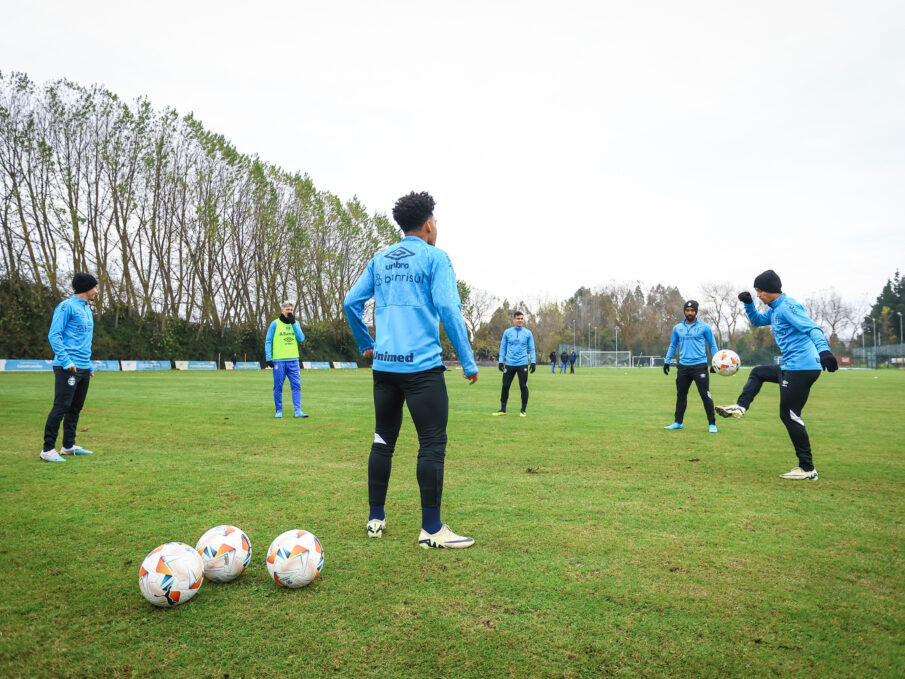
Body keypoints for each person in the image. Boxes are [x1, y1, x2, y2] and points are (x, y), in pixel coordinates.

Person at [344, 191, 479, 549]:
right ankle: (431, 530)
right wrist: (467, 361)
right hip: (421, 370)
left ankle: (376, 518)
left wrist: (365, 344)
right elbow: (449, 310)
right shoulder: (436, 258)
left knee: (383, 439)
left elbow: (350, 302)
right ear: (428, 225)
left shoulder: (380, 258)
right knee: (432, 443)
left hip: (384, 368)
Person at [715, 270, 837, 480]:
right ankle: (741, 406)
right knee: (758, 373)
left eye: (760, 291)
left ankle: (807, 469)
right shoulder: (774, 310)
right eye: (756, 291)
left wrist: (825, 351)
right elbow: (758, 321)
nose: (758, 294)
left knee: (789, 414)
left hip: (803, 368)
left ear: (771, 289)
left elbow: (813, 329)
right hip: (792, 367)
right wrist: (748, 304)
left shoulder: (788, 307)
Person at [40, 273, 99, 462]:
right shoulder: (66, 306)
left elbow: (84, 341)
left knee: (75, 408)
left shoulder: (88, 310)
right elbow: (54, 335)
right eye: (94, 287)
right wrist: (67, 361)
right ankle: (48, 449)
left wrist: (87, 365)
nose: (96, 291)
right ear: (86, 288)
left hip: (82, 366)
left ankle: (68, 446)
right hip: (67, 367)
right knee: (61, 407)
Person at [662, 300, 720, 433]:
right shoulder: (677, 328)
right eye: (687, 310)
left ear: (696, 312)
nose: (689, 313)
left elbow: (712, 345)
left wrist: (716, 362)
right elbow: (673, 345)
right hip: (683, 367)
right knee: (681, 395)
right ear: (684, 311)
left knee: (705, 395)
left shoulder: (704, 327)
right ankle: (678, 422)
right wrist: (667, 361)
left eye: (692, 310)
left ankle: (712, 424)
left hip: (700, 366)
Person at [264, 301, 307, 418]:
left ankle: (297, 411)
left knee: (296, 385)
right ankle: (279, 410)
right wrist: (269, 357)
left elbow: (301, 338)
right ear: (282, 311)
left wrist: (293, 324)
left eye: (291, 310)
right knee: (278, 386)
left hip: (293, 360)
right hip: (279, 361)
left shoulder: (296, 323)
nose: (290, 312)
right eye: (287, 310)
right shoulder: (275, 324)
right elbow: (268, 341)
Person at [492, 311, 536, 417]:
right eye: (518, 318)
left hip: (523, 363)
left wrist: (533, 362)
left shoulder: (528, 333)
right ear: (514, 320)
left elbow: (532, 348)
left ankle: (523, 410)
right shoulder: (507, 332)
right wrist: (501, 361)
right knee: (505, 386)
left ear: (523, 320)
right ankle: (503, 409)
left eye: (522, 318)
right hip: (510, 363)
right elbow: (503, 347)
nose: (520, 320)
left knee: (523, 386)